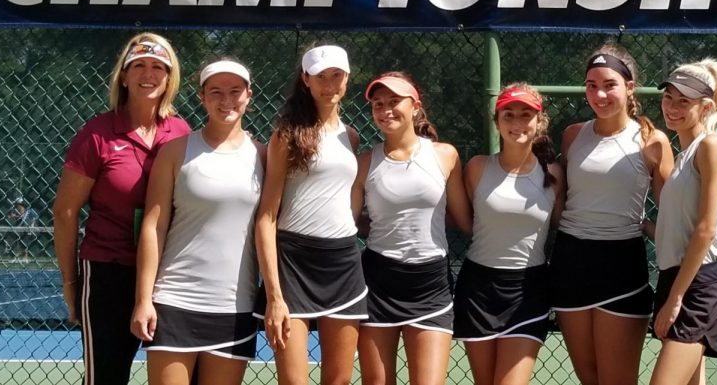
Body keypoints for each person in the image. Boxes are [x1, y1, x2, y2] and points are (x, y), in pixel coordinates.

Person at [549, 45, 717, 385]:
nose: (599, 93)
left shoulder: (658, 142)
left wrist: (713, 229)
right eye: (591, 84)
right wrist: (716, 226)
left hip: (642, 273)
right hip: (574, 265)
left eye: (609, 84)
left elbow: (692, 220)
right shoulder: (572, 136)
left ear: (629, 88)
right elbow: (677, 218)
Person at [53, 33, 190, 385]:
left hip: (170, 275)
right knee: (107, 377)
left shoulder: (181, 133)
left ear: (169, 78)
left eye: (158, 66)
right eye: (139, 65)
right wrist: (71, 281)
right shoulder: (97, 133)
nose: (149, 74)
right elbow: (66, 212)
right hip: (107, 272)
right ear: (124, 76)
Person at [131, 58, 263, 385]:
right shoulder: (175, 152)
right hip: (173, 302)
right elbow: (153, 227)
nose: (226, 100)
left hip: (235, 308)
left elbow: (271, 226)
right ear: (202, 97)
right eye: (215, 92)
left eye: (235, 91)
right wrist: (144, 300)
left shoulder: (265, 155)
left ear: (249, 95)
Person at [255, 45, 366, 385]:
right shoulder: (285, 137)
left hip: (343, 263)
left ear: (347, 79)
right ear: (306, 79)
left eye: (337, 76)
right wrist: (274, 296)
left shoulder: (351, 137)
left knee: (339, 381)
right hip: (294, 265)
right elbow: (266, 218)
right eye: (321, 77)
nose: (329, 84)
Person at [351, 72, 472, 385]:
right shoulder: (364, 162)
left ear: (416, 106)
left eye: (394, 101)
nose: (386, 109)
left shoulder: (446, 155)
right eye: (378, 104)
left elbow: (463, 220)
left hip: (431, 286)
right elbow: (348, 222)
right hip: (378, 284)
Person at [453, 84, 565, 385]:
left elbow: (559, 225)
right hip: (478, 289)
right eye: (508, 115)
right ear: (497, 121)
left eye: (525, 115)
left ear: (539, 121)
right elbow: (468, 224)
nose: (517, 123)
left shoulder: (553, 174)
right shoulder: (477, 167)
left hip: (529, 291)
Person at [649, 60, 717, 385]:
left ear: (707, 106)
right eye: (668, 97)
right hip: (676, 280)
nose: (672, 107)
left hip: (696, 288)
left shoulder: (710, 146)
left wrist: (676, 298)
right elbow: (678, 229)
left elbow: (704, 230)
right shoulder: (683, 156)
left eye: (684, 101)